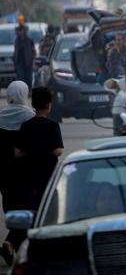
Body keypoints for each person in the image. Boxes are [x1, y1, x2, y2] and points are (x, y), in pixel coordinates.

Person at [0, 81, 35, 265]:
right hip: (25, 172)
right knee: (28, 209)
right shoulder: (30, 116)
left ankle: (12, 245)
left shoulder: (0, 117)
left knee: (11, 208)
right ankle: (12, 243)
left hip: (4, 173)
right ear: (24, 94)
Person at [15, 87, 64, 211]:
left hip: (30, 175)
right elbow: (57, 151)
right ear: (48, 106)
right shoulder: (53, 126)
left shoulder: (26, 125)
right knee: (49, 208)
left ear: (33, 105)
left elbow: (18, 153)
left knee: (32, 208)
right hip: (48, 175)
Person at [13, 24, 36, 91]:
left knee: (28, 77)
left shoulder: (29, 40)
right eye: (19, 30)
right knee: (20, 77)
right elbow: (15, 51)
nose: (19, 32)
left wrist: (33, 61)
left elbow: (33, 51)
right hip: (19, 62)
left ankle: (29, 90)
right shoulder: (17, 40)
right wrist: (15, 61)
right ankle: (21, 90)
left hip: (28, 62)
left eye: (21, 30)